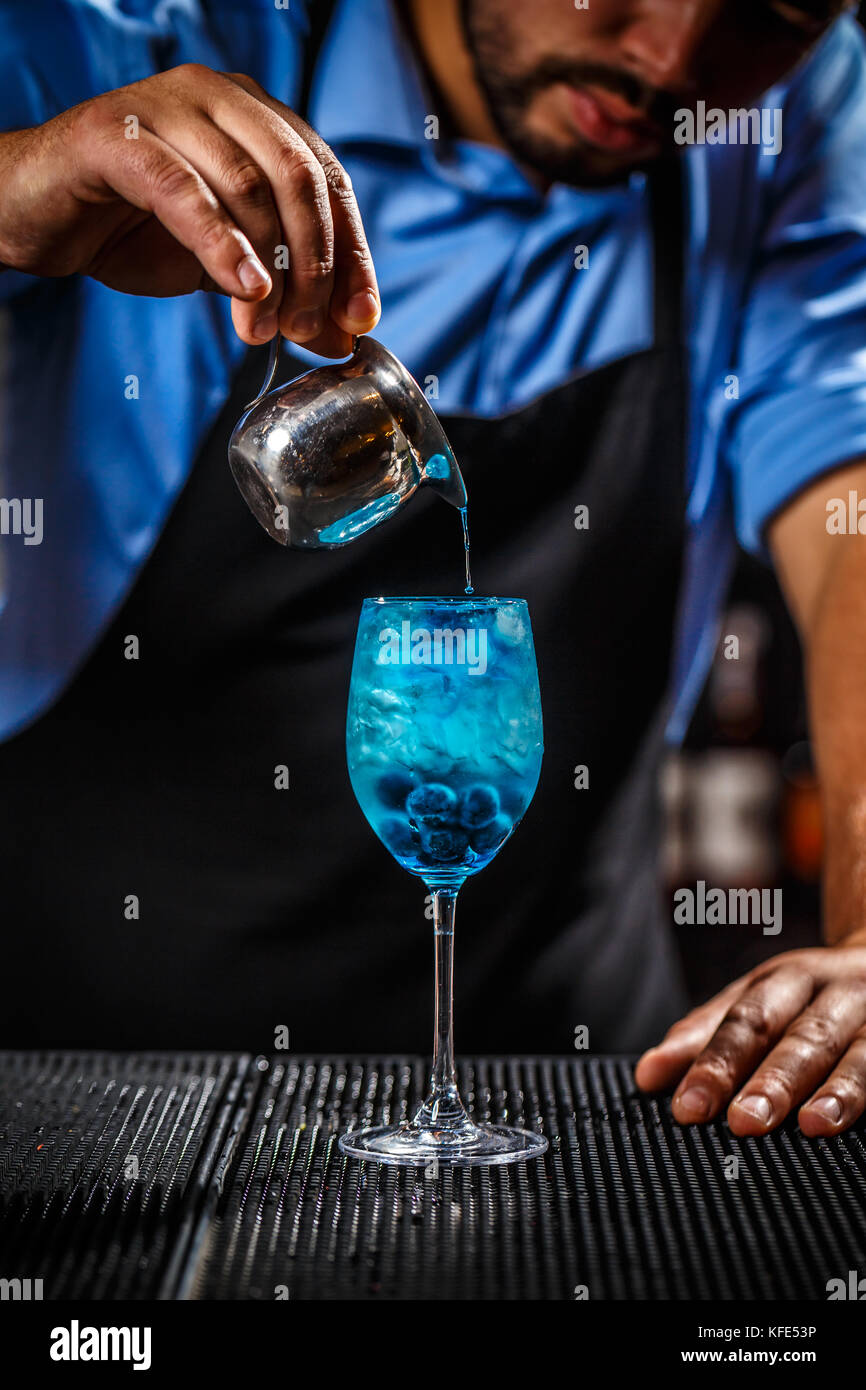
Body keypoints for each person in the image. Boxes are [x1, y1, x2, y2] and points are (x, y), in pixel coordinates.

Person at [1, 0, 866, 1142]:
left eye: (768, 17)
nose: (672, 61)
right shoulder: (127, 33)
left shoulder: (773, 118)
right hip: (94, 1092)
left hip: (585, 1098)